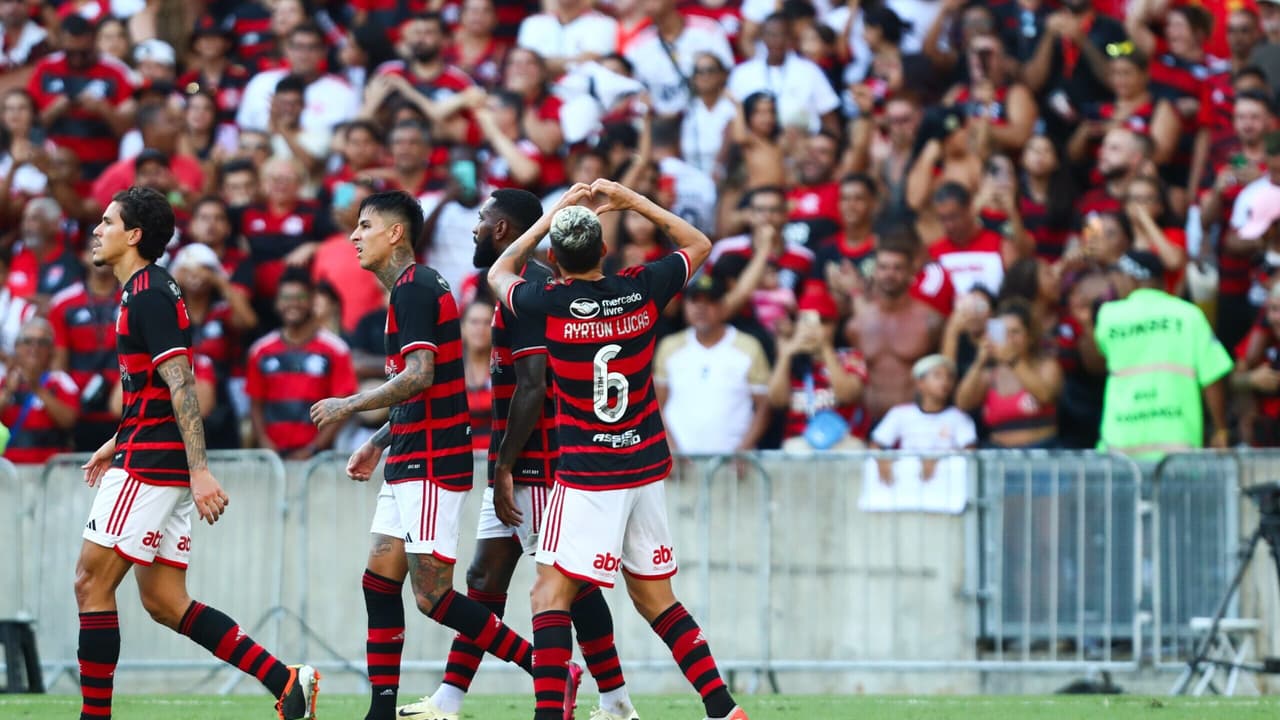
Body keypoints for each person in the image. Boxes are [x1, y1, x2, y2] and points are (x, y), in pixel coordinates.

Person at [487, 179, 749, 720]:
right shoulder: (641, 287)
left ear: (554, 259)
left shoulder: (548, 301)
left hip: (588, 474)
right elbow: (698, 242)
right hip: (645, 465)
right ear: (605, 250)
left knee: (546, 597)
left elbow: (499, 270)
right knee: (658, 600)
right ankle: (723, 709)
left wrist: (554, 213)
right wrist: (631, 201)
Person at [75, 187, 319, 720]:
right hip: (147, 454)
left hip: (151, 466)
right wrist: (114, 440)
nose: (97, 229)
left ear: (133, 235)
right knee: (165, 600)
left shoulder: (148, 295)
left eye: (108, 221)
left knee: (91, 583)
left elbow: (182, 382)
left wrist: (200, 469)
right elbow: (155, 392)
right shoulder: (145, 291)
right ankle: (287, 680)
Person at [399, 188, 638, 720]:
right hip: (516, 462)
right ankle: (448, 699)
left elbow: (533, 386)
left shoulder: (528, 292)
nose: (474, 229)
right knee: (484, 579)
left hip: (538, 465)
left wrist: (504, 466)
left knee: (566, 588)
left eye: (482, 220)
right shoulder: (521, 286)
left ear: (503, 230)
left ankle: (616, 701)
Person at [309, 191, 541, 720]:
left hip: (434, 462)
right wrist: (377, 439)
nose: (354, 236)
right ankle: (382, 708)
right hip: (411, 454)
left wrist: (351, 404)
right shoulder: (412, 289)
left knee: (433, 596)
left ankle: (546, 668)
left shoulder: (414, 288)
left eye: (365, 226)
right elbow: (420, 390)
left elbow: (419, 375)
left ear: (396, 234)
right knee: (378, 581)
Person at [1094, 250, 1233, 458]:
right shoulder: (1188, 316)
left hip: (1120, 447)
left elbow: (1095, 361)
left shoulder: (1109, 316)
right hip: (1177, 448)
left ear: (1131, 278)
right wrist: (1220, 430)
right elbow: (1212, 376)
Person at [656, 272, 772, 454]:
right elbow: (657, 405)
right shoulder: (669, 347)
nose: (701, 308)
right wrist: (670, 448)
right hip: (681, 467)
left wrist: (743, 450)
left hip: (733, 467)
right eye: (695, 301)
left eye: (710, 301)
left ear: (723, 307)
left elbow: (764, 406)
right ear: (685, 306)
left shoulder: (748, 347)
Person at [247, 268, 357, 460]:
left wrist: (313, 450)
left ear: (313, 300)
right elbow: (256, 405)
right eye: (286, 297)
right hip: (273, 461)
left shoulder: (336, 350)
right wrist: (266, 446)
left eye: (300, 296)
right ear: (277, 302)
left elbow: (341, 408)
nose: (292, 303)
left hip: (318, 461)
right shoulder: (260, 351)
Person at [0, 317, 79, 463]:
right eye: (28, 341)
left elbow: (69, 421)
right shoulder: (4, 381)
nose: (34, 348)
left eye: (42, 343)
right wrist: (7, 392)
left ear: (51, 350)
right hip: (10, 472)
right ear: (17, 347)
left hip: (50, 473)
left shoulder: (60, 381)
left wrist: (37, 388)